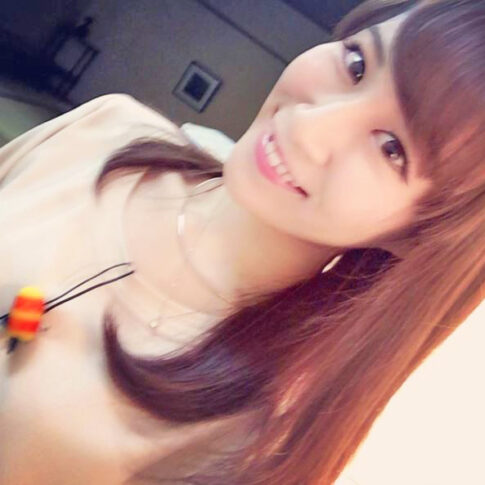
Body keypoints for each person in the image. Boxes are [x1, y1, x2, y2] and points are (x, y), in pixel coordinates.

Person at [0, 0, 484, 483]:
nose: (308, 126)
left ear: (422, 233)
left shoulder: (256, 435)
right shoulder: (105, 128)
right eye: (357, 64)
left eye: (391, 149)